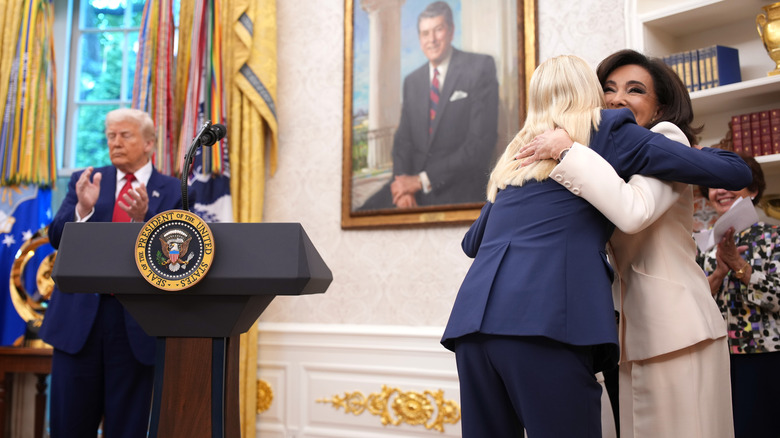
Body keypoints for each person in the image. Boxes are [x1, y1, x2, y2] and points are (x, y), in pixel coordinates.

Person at [440, 54, 750, 437]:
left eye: (633, 90)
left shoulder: (519, 156)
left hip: (473, 325)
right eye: (609, 89)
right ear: (592, 93)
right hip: (552, 323)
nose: (617, 100)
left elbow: (473, 241)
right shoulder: (606, 132)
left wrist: (688, 156)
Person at [40, 108, 182, 437]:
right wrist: (82, 210)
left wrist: (146, 219)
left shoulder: (174, 190)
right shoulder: (87, 182)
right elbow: (56, 238)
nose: (115, 143)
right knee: (68, 426)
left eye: (125, 135)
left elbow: (177, 260)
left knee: (129, 429)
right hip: (78, 325)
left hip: (137, 325)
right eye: (110, 136)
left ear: (149, 144)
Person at [359, 1, 498, 210]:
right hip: (411, 185)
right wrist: (403, 187)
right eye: (425, 33)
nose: (431, 40)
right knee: (365, 212)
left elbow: (479, 146)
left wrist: (421, 181)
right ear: (419, 38)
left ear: (451, 31)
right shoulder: (412, 81)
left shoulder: (479, 68)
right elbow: (402, 142)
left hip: (456, 185)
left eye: (438, 30)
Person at [697, 154, 780, 438]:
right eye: (713, 185)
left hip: (765, 357)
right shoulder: (703, 245)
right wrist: (719, 274)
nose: (720, 190)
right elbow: (691, 304)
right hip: (717, 357)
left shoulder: (773, 239)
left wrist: (740, 267)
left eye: (730, 182)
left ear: (753, 190)